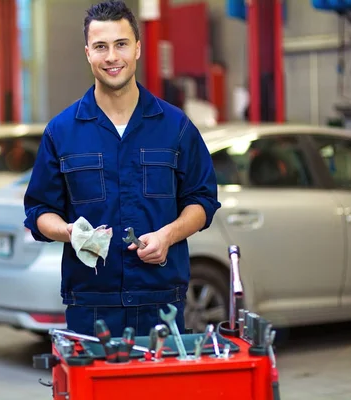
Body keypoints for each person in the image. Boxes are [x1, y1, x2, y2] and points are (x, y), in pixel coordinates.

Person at [23, 0, 221, 338]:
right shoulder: (62, 131)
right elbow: (40, 211)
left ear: (138, 49)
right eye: (101, 46)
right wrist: (71, 232)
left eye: (121, 44)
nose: (112, 57)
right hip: (90, 305)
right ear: (88, 53)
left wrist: (167, 236)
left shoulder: (175, 126)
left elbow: (202, 200)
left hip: (162, 304)